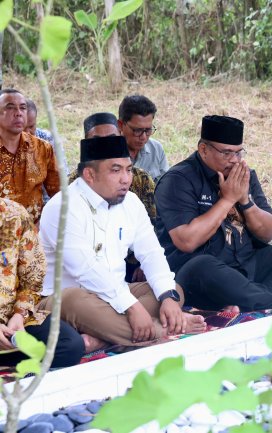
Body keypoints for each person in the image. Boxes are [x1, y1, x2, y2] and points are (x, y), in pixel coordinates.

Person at [39, 135, 206, 353]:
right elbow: (85, 270)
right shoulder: (63, 207)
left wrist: (168, 297)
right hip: (63, 299)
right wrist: (130, 306)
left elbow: (152, 253)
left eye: (128, 169)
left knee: (173, 289)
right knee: (73, 299)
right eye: (116, 170)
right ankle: (161, 330)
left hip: (115, 295)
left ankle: (102, 338)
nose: (126, 178)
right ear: (89, 174)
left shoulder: (131, 202)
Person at [154, 115, 272, 312]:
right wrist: (227, 200)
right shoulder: (178, 180)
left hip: (246, 264)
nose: (234, 160)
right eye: (226, 153)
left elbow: (267, 233)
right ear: (203, 149)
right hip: (201, 275)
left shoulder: (244, 174)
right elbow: (186, 241)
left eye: (238, 152)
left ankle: (249, 300)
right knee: (203, 265)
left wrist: (244, 200)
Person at [0, 197, 84, 368]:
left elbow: (32, 280)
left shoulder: (13, 214)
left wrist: (19, 314)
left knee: (70, 345)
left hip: (13, 319)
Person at [67, 112, 157, 221]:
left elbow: (151, 223)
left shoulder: (142, 179)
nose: (106, 145)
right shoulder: (76, 180)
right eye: (98, 140)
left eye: (112, 138)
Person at [0, 89, 59, 224]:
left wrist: (44, 222)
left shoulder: (42, 148)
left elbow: (58, 195)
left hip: (35, 234)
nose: (18, 113)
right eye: (10, 107)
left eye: (23, 108)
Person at [117, 95, 169, 182]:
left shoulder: (156, 149)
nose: (143, 137)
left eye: (148, 130)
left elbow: (166, 185)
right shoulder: (106, 154)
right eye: (137, 130)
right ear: (120, 125)